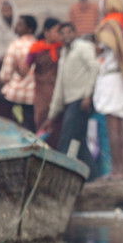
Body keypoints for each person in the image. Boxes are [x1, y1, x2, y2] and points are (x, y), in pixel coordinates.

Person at [44, 22, 100, 177]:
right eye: (63, 33)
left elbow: (95, 68)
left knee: (66, 139)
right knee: (79, 143)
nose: (66, 36)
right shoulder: (64, 53)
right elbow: (59, 87)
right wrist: (51, 116)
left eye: (70, 32)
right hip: (71, 102)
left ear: (74, 33)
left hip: (81, 101)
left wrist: (88, 95)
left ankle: (59, 176)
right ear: (60, 36)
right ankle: (94, 177)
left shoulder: (82, 47)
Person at [94, 0, 123, 181]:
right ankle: (121, 169)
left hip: (112, 78)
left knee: (113, 126)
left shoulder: (109, 25)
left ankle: (117, 170)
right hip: (122, 79)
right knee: (119, 125)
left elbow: (105, 48)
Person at [28, 17, 63, 144]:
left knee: (58, 124)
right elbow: (25, 69)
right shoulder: (36, 49)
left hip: (58, 92)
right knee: (42, 122)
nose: (59, 35)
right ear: (46, 32)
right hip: (42, 93)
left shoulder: (62, 48)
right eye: (56, 31)